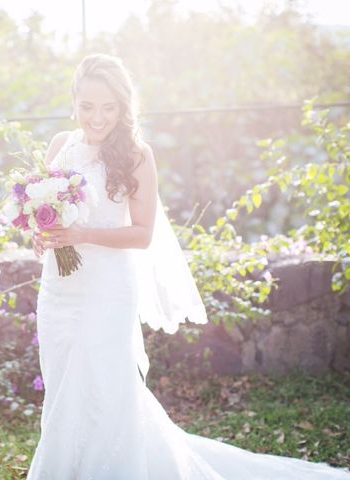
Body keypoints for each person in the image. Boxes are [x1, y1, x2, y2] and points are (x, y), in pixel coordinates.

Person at [28, 53, 350, 479]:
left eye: (108, 107)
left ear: (123, 107)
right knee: (64, 383)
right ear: (74, 102)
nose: (97, 117)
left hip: (107, 291)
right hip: (60, 290)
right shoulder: (60, 147)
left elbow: (141, 234)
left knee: (107, 383)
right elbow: (45, 216)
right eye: (87, 106)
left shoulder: (136, 156)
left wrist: (81, 235)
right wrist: (40, 236)